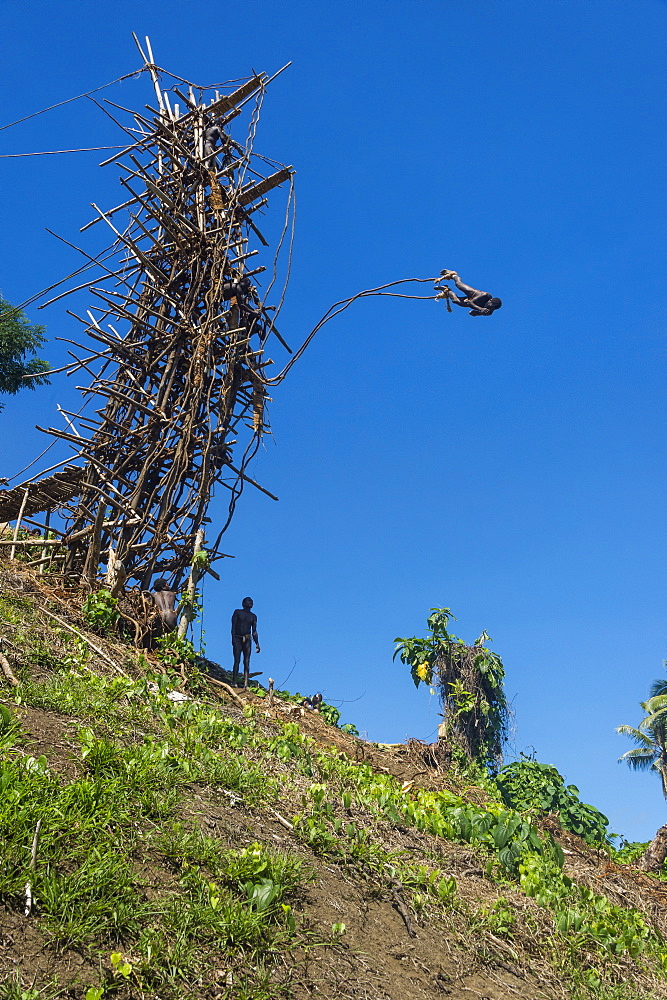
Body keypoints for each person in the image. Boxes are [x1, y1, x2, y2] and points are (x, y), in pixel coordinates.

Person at [437, 270, 502, 316]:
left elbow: (474, 313)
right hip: (472, 295)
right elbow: (470, 302)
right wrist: (480, 309)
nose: (488, 308)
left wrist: (476, 313)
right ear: (490, 301)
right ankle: (453, 275)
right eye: (490, 306)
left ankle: (447, 291)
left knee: (455, 301)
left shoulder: (488, 312)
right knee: (458, 285)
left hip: (471, 302)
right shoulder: (486, 296)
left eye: (491, 308)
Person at [231, 597, 260, 688]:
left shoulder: (253, 616)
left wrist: (257, 643)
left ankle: (246, 684)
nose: (251, 602)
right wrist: (233, 639)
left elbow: (254, 631)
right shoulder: (237, 612)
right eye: (249, 601)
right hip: (238, 638)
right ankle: (234, 681)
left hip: (247, 639)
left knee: (247, 661)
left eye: (252, 601)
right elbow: (233, 627)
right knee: (237, 660)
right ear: (243, 603)